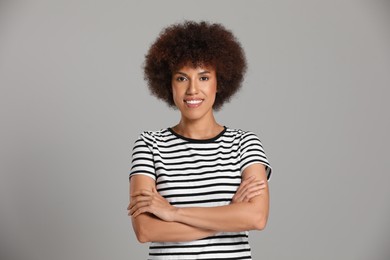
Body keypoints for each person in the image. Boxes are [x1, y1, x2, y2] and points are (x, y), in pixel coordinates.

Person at [127, 21, 272, 260]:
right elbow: (146, 230)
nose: (193, 90)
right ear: (168, 84)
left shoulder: (245, 144)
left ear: (220, 82)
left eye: (204, 78)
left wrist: (173, 213)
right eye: (182, 78)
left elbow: (256, 218)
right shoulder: (149, 145)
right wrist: (230, 215)